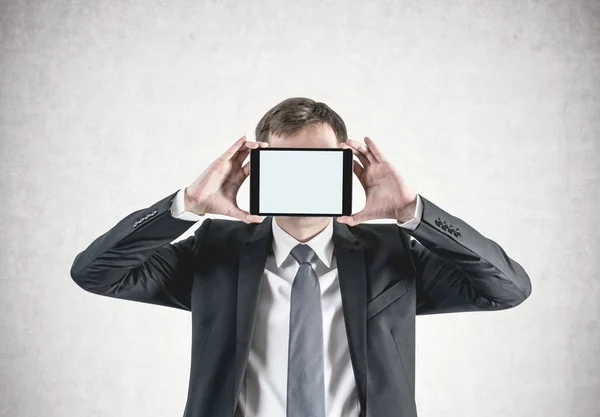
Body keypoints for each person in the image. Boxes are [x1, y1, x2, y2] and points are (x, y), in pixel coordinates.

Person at [70, 97, 532, 417]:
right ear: (257, 170)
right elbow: (95, 272)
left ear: (347, 169)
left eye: (319, 164)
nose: (303, 181)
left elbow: (507, 288)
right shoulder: (212, 250)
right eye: (287, 165)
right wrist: (185, 205)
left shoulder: (393, 256)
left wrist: (414, 212)